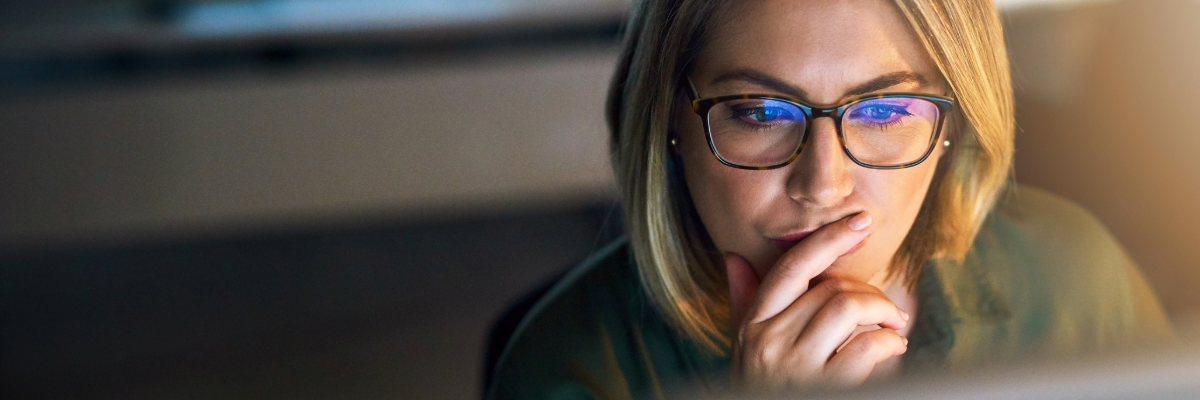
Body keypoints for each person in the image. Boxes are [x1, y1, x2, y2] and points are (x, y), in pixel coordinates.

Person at [485, 0, 1175, 398]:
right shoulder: (569, 367)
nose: (822, 186)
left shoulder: (1075, 279)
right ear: (670, 122)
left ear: (955, 125)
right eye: (758, 112)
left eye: (883, 112)